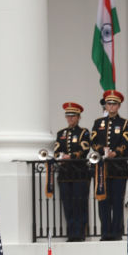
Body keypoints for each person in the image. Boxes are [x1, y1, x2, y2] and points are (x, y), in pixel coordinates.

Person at [90, 90, 128, 241]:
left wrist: (116, 152)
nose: (112, 106)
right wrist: (102, 150)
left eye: (114, 104)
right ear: (105, 106)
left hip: (118, 169)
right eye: (109, 104)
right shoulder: (98, 123)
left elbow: (127, 143)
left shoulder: (124, 123)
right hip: (102, 169)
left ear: (119, 106)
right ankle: (105, 232)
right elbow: (93, 142)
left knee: (117, 201)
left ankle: (117, 232)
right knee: (103, 201)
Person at [49, 102, 92, 242]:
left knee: (80, 204)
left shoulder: (83, 132)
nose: (70, 119)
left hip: (79, 174)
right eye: (68, 116)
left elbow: (84, 149)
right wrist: (59, 157)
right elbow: (56, 150)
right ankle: (71, 233)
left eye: (73, 116)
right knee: (67, 205)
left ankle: (80, 233)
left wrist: (70, 156)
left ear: (78, 117)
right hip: (65, 175)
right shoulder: (61, 133)